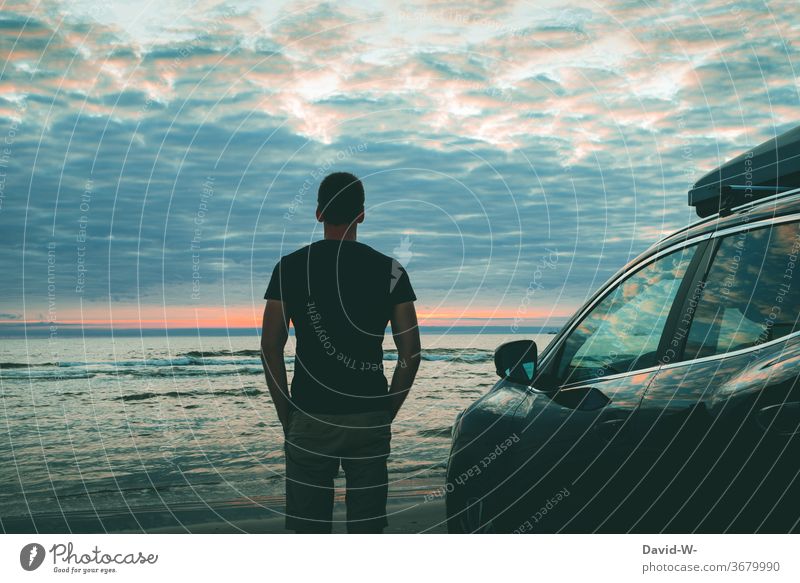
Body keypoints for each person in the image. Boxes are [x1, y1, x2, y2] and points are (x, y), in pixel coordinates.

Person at [260, 171, 421, 534]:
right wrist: (386, 410)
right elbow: (410, 352)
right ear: (362, 214)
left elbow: (271, 345)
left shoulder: (290, 267)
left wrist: (286, 412)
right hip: (369, 416)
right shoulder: (391, 271)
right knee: (366, 531)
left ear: (318, 213)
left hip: (310, 415)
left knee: (308, 531)